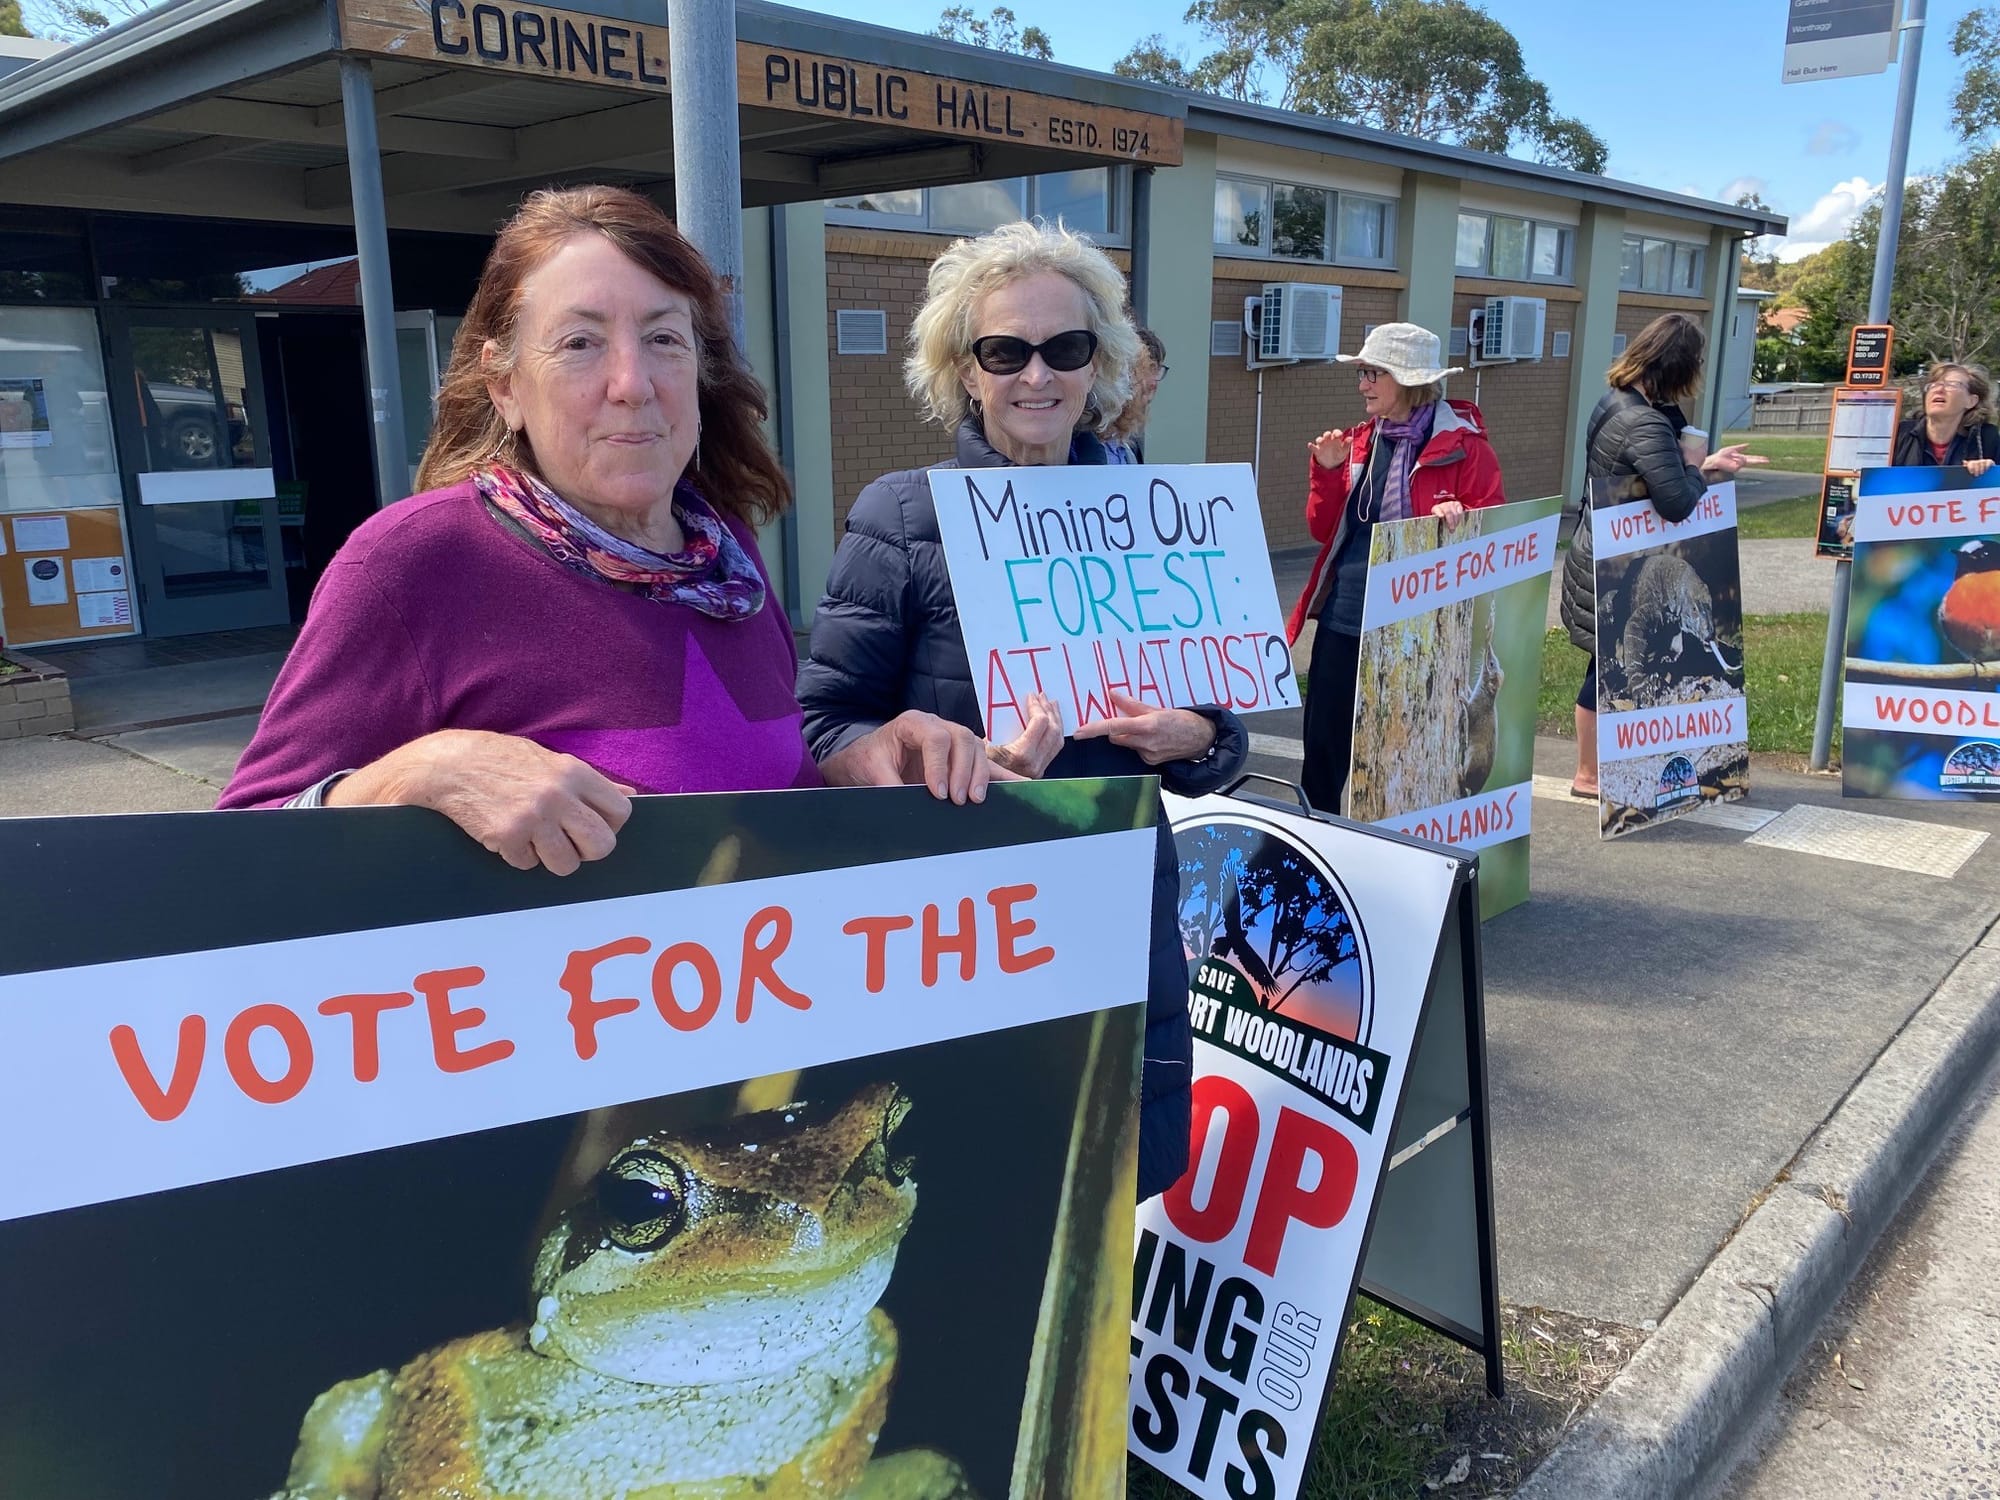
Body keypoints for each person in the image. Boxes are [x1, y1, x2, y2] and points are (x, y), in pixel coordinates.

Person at [218, 186, 995, 867]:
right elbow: (232, 855)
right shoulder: (413, 561)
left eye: (663, 339)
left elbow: (747, 806)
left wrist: (853, 768)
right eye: (580, 343)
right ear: (505, 385)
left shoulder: (726, 560)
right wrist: (417, 774)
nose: (633, 384)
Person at [796, 221, 1249, 1201]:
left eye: (1065, 348)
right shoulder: (901, 514)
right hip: (961, 920)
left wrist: (1198, 735)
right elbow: (824, 727)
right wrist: (930, 757)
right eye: (1004, 351)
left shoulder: (1154, 517)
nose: (1036, 375)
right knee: (974, 1193)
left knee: (1112, 1174)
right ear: (964, 370)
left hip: (1117, 894)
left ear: (1100, 364)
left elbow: (1220, 726)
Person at [1282, 322, 1507, 816]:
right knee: (1323, 751)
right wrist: (1326, 471)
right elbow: (1323, 529)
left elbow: (1491, 533)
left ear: (1407, 380)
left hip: (1417, 625)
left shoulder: (1466, 447)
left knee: (1401, 751)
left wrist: (1460, 519)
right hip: (1346, 615)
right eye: (1361, 373)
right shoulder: (1359, 441)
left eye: (1373, 374)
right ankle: (1319, 839)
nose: (1362, 384)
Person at [1559, 312, 1764, 798]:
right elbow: (1674, 503)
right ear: (1678, 366)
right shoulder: (1644, 421)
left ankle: (1601, 768)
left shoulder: (1616, 402)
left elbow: (1651, 476)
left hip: (1599, 549)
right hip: (1616, 561)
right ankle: (1588, 775)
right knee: (1607, 668)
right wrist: (1695, 467)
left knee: (1607, 663)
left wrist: (1701, 465)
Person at [1891, 362, 1998, 475]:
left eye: (1952, 385)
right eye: (1933, 385)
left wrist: (1991, 472)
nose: (1939, 389)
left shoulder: (1986, 438)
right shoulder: (1899, 433)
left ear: (1971, 401)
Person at [1103, 326, 1165, 463]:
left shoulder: (1127, 450)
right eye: (1149, 369)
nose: (1152, 383)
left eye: (1157, 370)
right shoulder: (1084, 452)